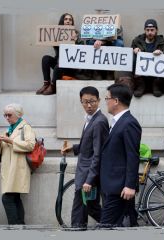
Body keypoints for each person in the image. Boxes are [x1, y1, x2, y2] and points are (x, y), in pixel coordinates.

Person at [61, 86, 109, 229]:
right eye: (85, 102)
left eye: (92, 101)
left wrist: (89, 180)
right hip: (86, 173)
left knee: (79, 210)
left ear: (99, 101)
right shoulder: (91, 119)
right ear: (81, 101)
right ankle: (115, 225)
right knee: (91, 207)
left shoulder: (99, 121)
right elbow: (89, 145)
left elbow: (98, 153)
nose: (88, 105)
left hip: (88, 175)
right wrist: (74, 148)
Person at [99, 83, 142, 227]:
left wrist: (130, 185)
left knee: (106, 227)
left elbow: (132, 156)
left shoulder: (129, 123)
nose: (106, 102)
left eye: (107, 98)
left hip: (120, 188)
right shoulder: (118, 122)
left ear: (116, 101)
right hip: (112, 186)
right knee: (126, 225)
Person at [0, 103, 36, 225]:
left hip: (18, 168)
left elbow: (30, 145)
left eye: (9, 115)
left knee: (7, 198)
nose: (7, 118)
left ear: (18, 115)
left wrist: (10, 141)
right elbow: (5, 148)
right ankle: (20, 226)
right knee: (15, 198)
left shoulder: (25, 127)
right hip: (9, 168)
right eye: (5, 115)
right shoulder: (10, 128)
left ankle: (14, 228)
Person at [37, 13, 83, 95]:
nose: (68, 21)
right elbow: (55, 48)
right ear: (62, 21)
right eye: (66, 19)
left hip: (70, 65)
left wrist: (75, 41)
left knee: (59, 65)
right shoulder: (56, 33)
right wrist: (56, 39)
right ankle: (46, 83)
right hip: (59, 61)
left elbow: (82, 49)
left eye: (70, 19)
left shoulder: (76, 33)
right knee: (46, 58)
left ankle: (53, 86)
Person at [131, 19, 164, 97]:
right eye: (147, 30)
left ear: (156, 30)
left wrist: (162, 52)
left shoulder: (161, 41)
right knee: (133, 57)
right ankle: (140, 85)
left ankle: (156, 85)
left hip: (156, 76)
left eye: (152, 30)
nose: (150, 32)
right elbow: (128, 52)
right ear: (144, 30)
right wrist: (134, 50)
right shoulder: (137, 41)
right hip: (141, 76)